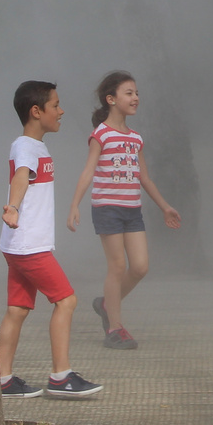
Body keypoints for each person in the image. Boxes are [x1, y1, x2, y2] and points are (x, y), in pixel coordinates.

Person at [0, 80, 103, 399]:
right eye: (55, 105)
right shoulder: (26, 146)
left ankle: (1, 380)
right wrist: (13, 208)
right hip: (29, 244)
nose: (61, 111)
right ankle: (61, 376)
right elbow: (20, 178)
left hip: (18, 244)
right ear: (36, 111)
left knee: (17, 308)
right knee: (66, 300)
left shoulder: (34, 145)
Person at [68, 70, 181, 350]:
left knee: (140, 267)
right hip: (107, 209)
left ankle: (107, 304)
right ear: (111, 99)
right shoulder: (101, 135)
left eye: (137, 93)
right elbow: (88, 171)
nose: (135, 98)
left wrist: (165, 207)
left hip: (132, 210)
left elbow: (144, 178)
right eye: (129, 93)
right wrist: (74, 205)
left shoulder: (135, 138)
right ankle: (115, 329)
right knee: (117, 266)